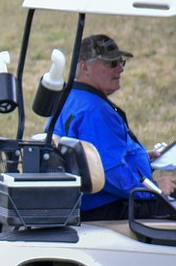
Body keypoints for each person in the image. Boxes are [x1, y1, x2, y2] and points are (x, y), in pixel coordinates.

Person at [51, 33, 176, 221]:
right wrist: (153, 189)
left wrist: (138, 156)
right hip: (107, 206)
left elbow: (96, 155)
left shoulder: (71, 98)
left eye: (121, 62)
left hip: (88, 203)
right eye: (111, 63)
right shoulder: (94, 111)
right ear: (85, 66)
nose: (120, 69)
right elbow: (110, 171)